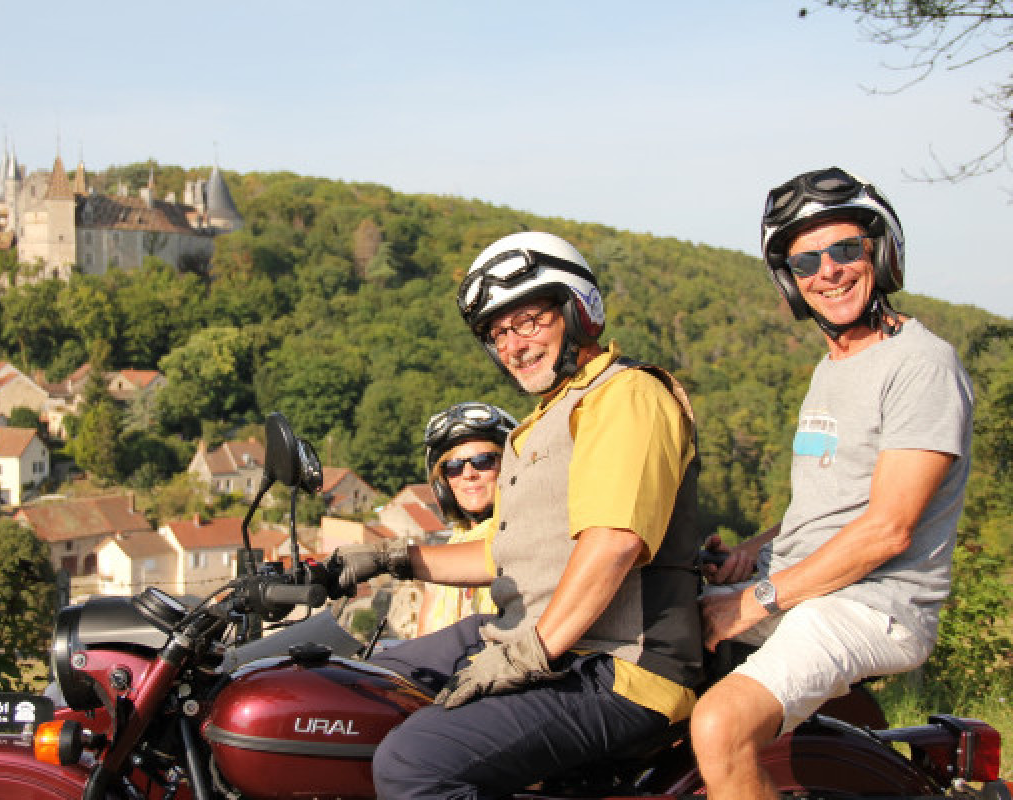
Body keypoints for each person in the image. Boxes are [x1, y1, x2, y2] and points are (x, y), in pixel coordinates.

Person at [330, 231, 703, 799]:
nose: (513, 345)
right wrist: (391, 558)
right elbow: (505, 552)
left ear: (578, 309)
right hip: (542, 638)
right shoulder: (540, 423)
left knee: (412, 764)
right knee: (367, 685)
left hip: (618, 665)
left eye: (528, 321)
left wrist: (530, 655)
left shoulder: (624, 395)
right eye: (498, 333)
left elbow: (613, 542)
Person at [689, 167, 974, 800]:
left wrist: (751, 599)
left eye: (846, 250)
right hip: (807, 583)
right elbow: (829, 501)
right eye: (806, 260)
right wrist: (752, 551)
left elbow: (887, 528)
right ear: (790, 281)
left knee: (719, 727)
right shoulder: (835, 364)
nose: (830, 271)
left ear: (880, 252)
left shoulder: (921, 364)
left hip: (872, 604)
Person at [416, 402, 514, 637]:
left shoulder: (531, 537)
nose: (469, 474)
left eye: (484, 461)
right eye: (454, 467)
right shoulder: (442, 570)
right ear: (444, 484)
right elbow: (423, 646)